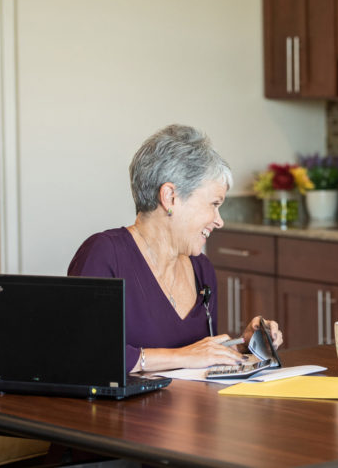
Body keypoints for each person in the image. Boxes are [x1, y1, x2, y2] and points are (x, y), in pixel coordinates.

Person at [68, 124, 282, 373]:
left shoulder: (201, 269)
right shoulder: (105, 254)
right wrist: (182, 356)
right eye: (213, 204)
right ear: (170, 197)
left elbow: (196, 361)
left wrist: (242, 347)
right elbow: (85, 352)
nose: (219, 220)